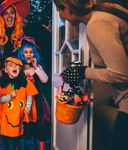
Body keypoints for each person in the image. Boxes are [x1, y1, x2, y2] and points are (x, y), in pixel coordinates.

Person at [54, 0, 128, 150]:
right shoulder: (102, 16)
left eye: (59, 10)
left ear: (69, 9)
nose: (59, 14)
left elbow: (121, 74)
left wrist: (83, 72)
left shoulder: (97, 24)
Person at [0, 57, 38, 150]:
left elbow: (30, 95)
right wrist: (9, 96)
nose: (14, 67)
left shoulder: (26, 82)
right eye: (11, 65)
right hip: (8, 117)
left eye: (17, 65)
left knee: (22, 142)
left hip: (21, 116)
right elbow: (0, 100)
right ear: (5, 70)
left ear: (20, 69)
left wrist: (28, 107)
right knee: (10, 143)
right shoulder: (3, 83)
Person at [17, 36, 51, 150]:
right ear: (21, 54)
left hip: (37, 102)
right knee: (24, 126)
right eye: (25, 52)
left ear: (34, 54)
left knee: (39, 125)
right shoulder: (19, 69)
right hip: (23, 101)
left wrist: (36, 68)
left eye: (31, 52)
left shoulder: (38, 67)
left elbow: (45, 80)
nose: (28, 54)